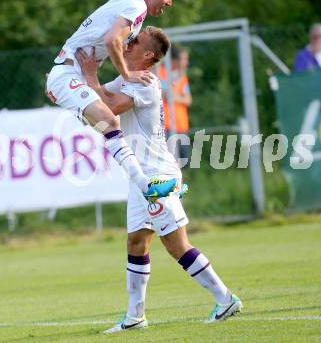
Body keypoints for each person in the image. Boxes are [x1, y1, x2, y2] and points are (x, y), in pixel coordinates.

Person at [75, 26, 243, 333]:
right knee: (137, 242)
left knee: (175, 244)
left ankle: (225, 298)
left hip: (156, 176)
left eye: (135, 41)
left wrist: (89, 78)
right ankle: (135, 316)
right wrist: (74, 93)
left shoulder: (147, 82)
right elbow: (95, 107)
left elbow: (108, 109)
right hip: (141, 177)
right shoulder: (127, 79)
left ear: (148, 54)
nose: (127, 42)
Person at [46, 0, 178, 200]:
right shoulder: (136, 7)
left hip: (69, 75)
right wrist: (127, 74)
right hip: (67, 75)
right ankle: (147, 187)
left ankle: (147, 186)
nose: (169, 2)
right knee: (108, 120)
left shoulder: (131, 2)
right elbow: (111, 40)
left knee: (106, 120)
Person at [158, 46, 192, 165]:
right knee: (170, 163)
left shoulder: (182, 77)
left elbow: (188, 100)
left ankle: (178, 184)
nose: (186, 63)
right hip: (166, 125)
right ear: (173, 60)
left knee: (184, 162)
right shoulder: (159, 73)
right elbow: (165, 94)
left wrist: (175, 96)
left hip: (181, 125)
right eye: (183, 59)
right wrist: (177, 96)